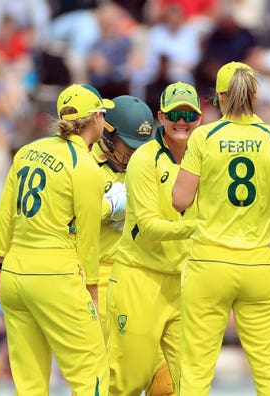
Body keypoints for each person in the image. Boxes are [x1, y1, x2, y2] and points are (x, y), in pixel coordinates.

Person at [172, 61, 270, 395]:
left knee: (195, 369)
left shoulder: (204, 136)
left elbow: (180, 200)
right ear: (256, 95)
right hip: (258, 265)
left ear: (219, 97)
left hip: (209, 263)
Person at [0, 84, 112, 395]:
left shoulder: (28, 150)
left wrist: (0, 264)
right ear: (96, 118)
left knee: (29, 382)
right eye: (102, 115)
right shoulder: (84, 165)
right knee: (91, 372)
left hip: (15, 276)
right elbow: (88, 236)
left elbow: (5, 212)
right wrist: (92, 288)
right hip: (55, 275)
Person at [107, 81, 201, 395]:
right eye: (175, 114)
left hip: (182, 282)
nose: (182, 121)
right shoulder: (145, 159)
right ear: (161, 116)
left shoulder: (204, 158)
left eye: (189, 114)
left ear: (199, 118)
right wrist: (201, 228)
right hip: (140, 278)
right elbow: (148, 226)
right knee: (127, 381)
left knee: (184, 384)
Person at [92, 95, 174, 394]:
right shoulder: (86, 164)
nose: (134, 156)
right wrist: (104, 207)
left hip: (139, 277)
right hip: (96, 281)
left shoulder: (149, 165)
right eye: (128, 148)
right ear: (107, 134)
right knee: (108, 378)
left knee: (166, 384)